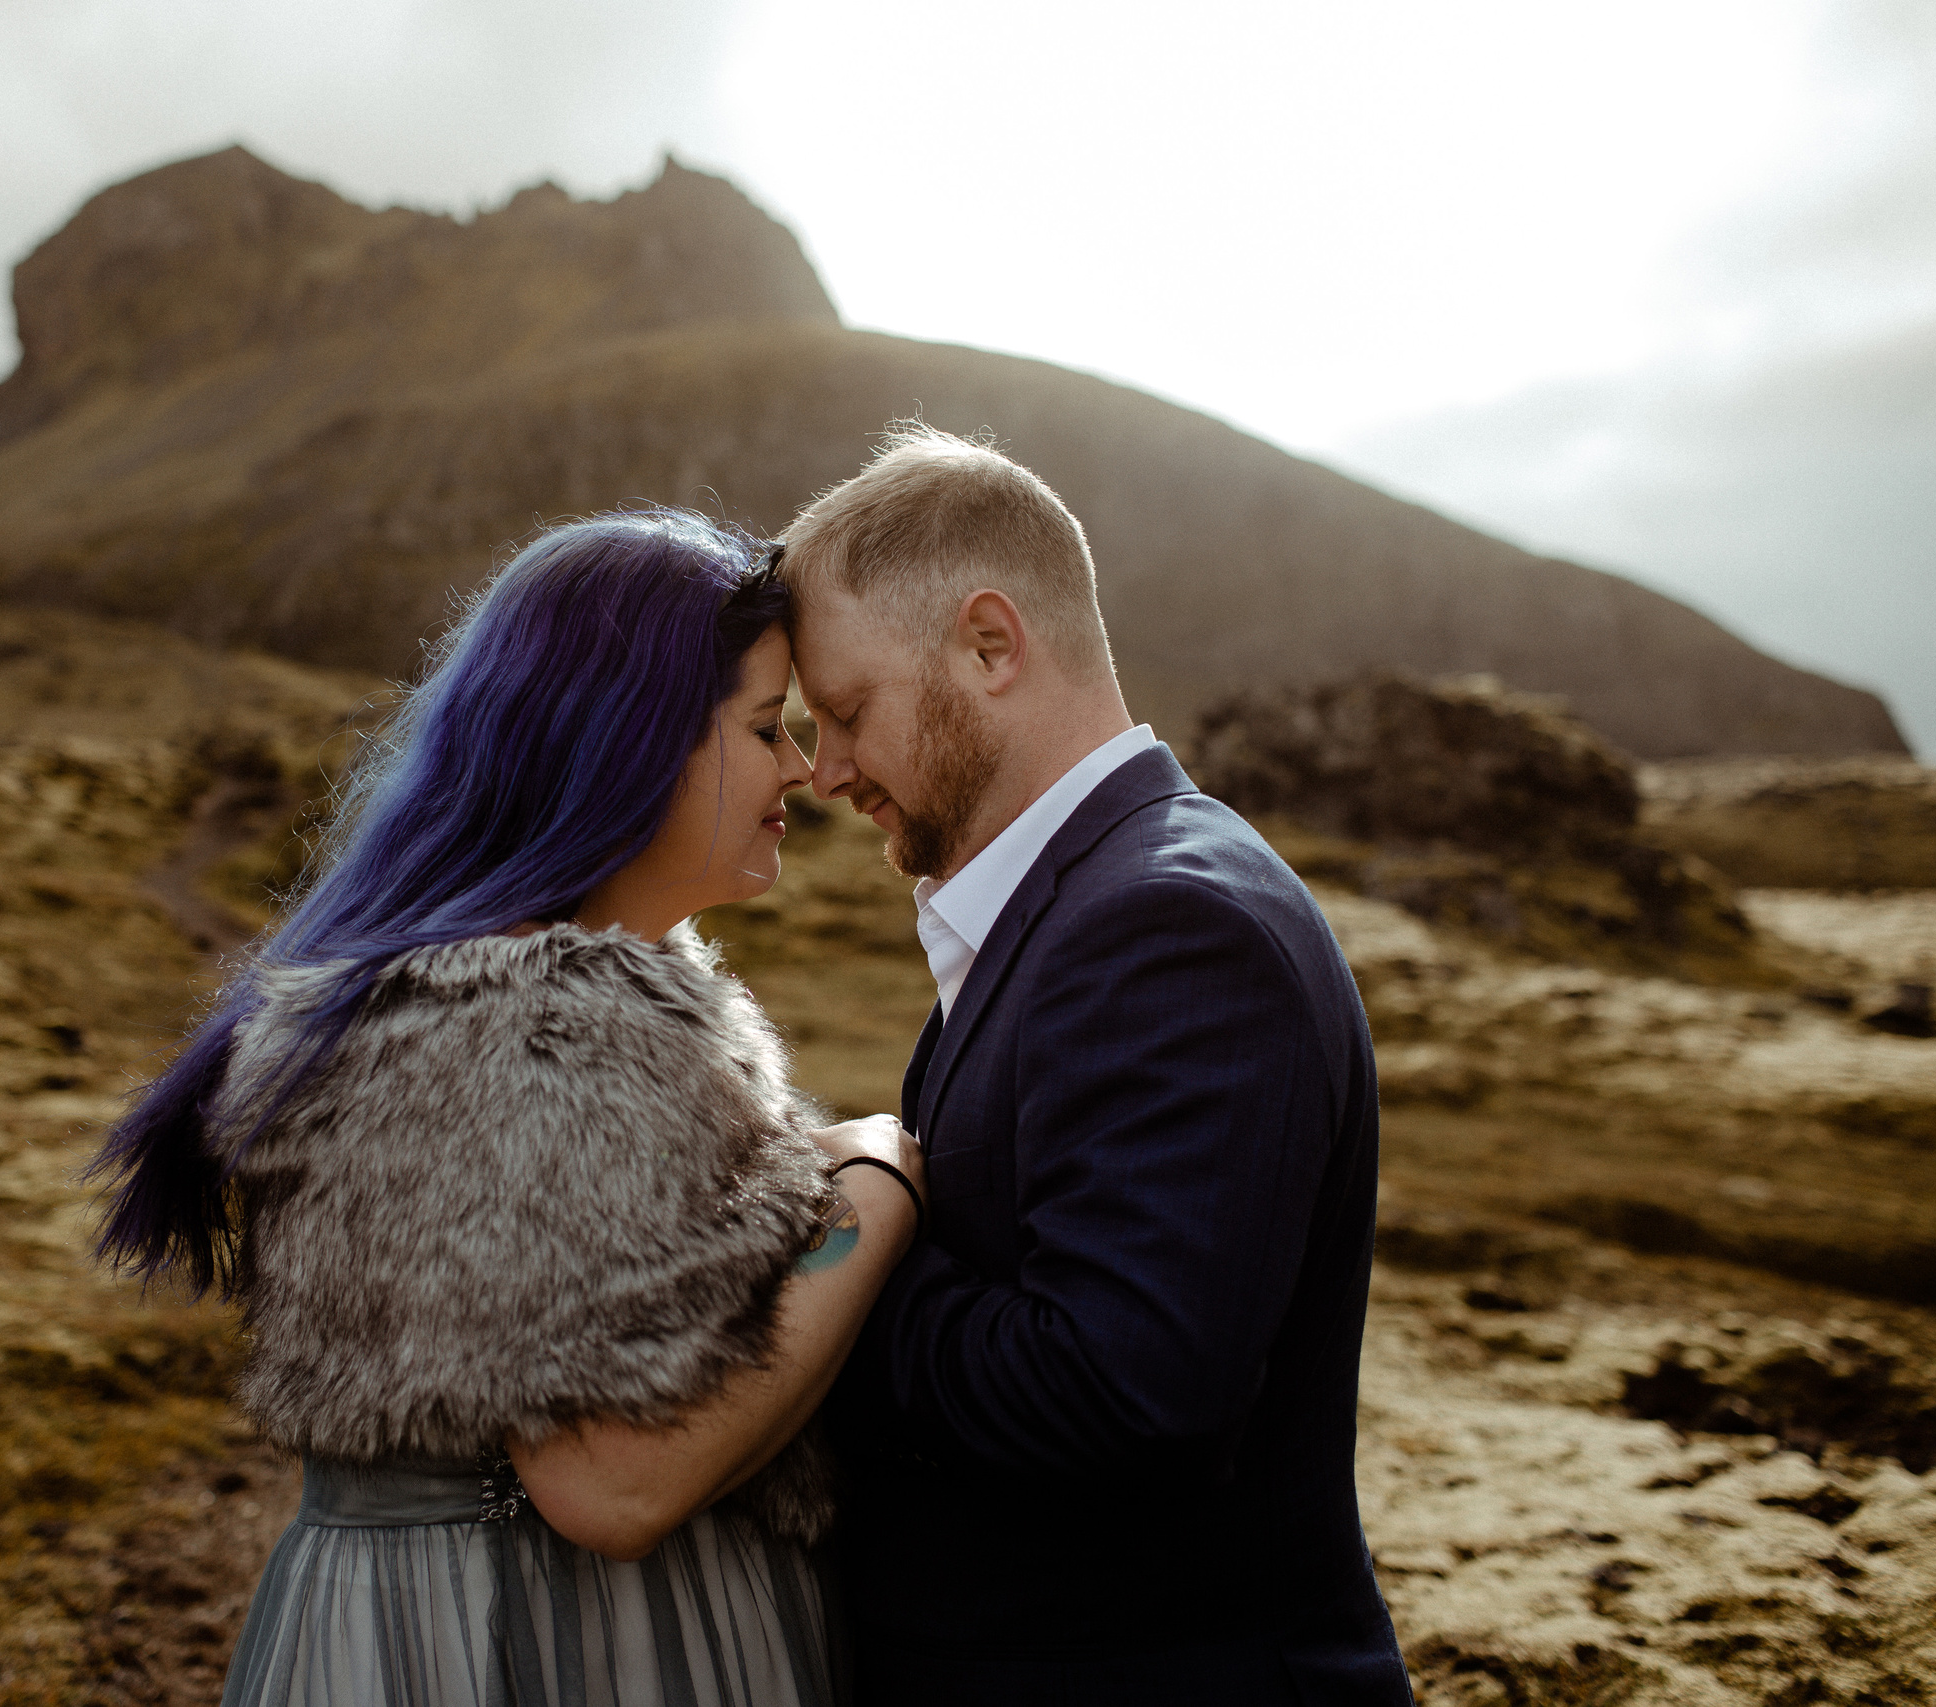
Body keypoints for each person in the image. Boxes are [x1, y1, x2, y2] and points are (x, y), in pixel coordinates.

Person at [86, 510, 929, 1707]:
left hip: (460, 1623)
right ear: (624, 746)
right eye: (760, 727)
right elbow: (612, 1483)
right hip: (542, 1642)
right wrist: (876, 1180)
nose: (801, 768)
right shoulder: (527, 1022)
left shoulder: (511, 995)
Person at [779, 425, 1416, 1704]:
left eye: (846, 713)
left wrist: (838, 1246)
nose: (825, 770)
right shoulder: (1077, 904)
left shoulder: (1175, 926)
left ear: (990, 644)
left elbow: (1123, 1396)